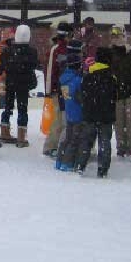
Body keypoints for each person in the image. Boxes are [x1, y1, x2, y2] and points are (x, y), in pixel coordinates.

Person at [74, 47, 117, 178]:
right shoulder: (112, 78)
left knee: (86, 141)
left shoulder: (88, 76)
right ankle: (102, 169)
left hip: (89, 115)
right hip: (106, 116)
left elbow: (80, 95)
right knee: (105, 143)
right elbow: (115, 96)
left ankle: (81, 165)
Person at [109, 25, 131, 157]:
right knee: (118, 122)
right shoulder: (110, 53)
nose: (115, 39)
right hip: (117, 93)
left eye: (118, 36)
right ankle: (121, 147)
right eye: (113, 36)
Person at [0, 24, 38, 148]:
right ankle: (22, 137)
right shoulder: (32, 52)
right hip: (24, 84)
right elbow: (33, 66)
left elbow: (2, 65)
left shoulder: (8, 51)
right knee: (23, 109)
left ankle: (4, 132)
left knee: (8, 107)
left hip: (10, 82)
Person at [42, 21, 72, 157]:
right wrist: (49, 90)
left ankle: (58, 144)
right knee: (58, 119)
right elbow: (49, 71)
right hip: (58, 89)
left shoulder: (64, 49)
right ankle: (51, 146)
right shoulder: (56, 50)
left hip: (64, 88)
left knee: (63, 118)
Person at [55, 40, 84, 172]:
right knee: (74, 139)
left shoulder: (63, 78)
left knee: (67, 138)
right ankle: (68, 163)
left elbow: (67, 96)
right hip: (78, 113)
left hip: (69, 111)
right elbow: (80, 97)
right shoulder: (78, 80)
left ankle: (59, 161)